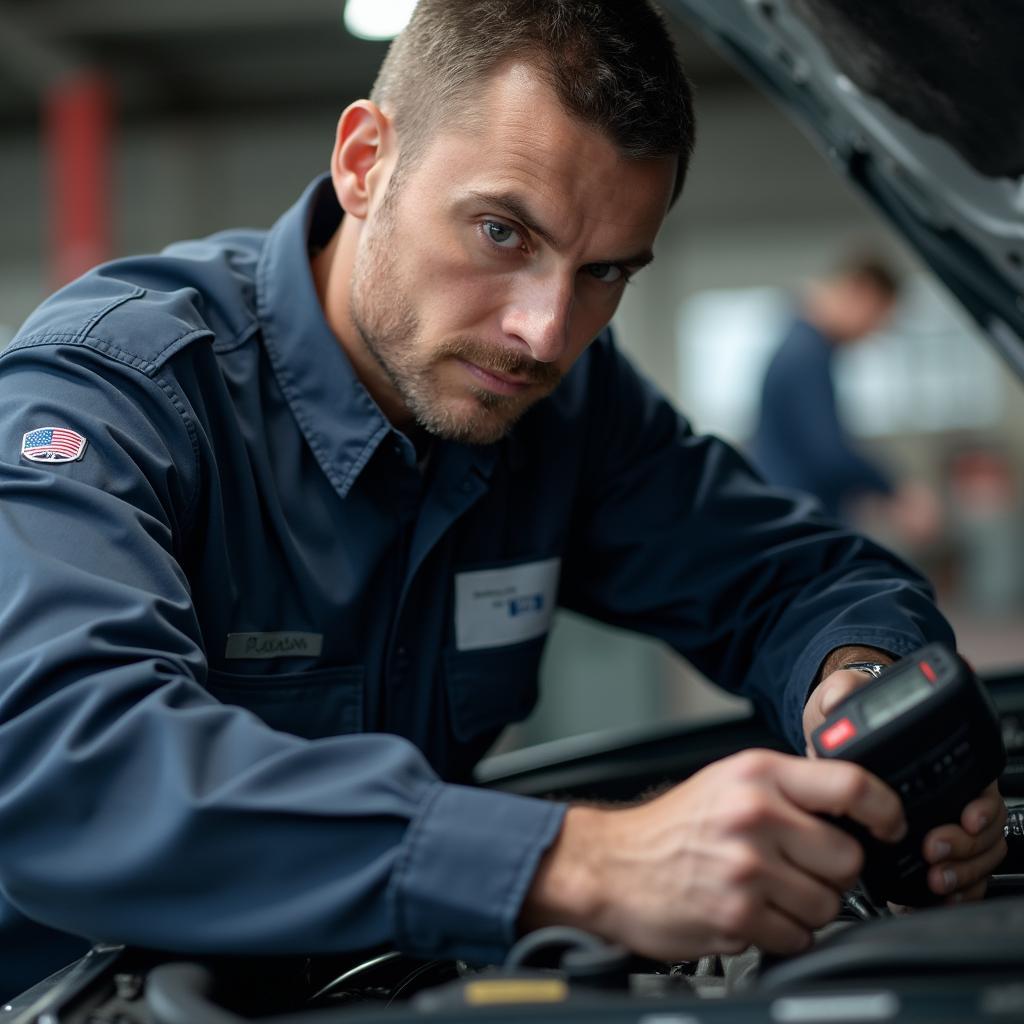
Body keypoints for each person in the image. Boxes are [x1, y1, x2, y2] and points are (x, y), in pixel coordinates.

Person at [0, 0, 1005, 1001]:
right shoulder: (115, 391)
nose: (545, 330)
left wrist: (859, 691)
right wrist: (573, 862)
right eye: (501, 231)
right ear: (364, 161)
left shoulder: (564, 408)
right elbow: (67, 762)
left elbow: (795, 577)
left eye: (604, 270)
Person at [750, 257, 943, 543]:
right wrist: (897, 490)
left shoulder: (803, 346)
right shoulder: (806, 354)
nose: (873, 333)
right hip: (800, 523)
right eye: (878, 318)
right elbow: (829, 454)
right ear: (861, 292)